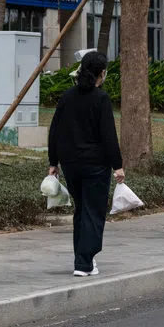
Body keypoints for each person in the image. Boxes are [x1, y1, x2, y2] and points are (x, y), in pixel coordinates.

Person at [48, 51, 122, 277]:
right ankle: (84, 262)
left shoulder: (67, 96)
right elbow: (108, 135)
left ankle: (82, 258)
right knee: (94, 212)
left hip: (71, 164)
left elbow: (55, 130)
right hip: (96, 165)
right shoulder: (101, 98)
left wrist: (53, 162)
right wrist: (117, 165)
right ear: (102, 73)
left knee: (81, 210)